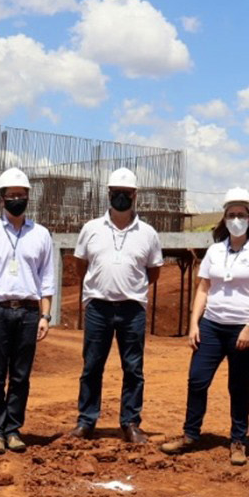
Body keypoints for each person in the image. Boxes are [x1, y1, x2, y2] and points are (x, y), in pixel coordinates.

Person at [160, 188, 249, 465]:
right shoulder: (214, 250)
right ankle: (190, 434)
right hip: (212, 326)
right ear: (223, 220)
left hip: (245, 328)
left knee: (238, 385)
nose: (236, 219)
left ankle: (238, 440)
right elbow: (203, 288)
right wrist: (194, 324)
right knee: (197, 380)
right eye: (231, 215)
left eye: (241, 215)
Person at [68, 168, 165, 443]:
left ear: (135, 196)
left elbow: (153, 271)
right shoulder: (91, 229)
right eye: (116, 193)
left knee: (133, 368)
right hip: (98, 307)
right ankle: (86, 421)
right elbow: (80, 265)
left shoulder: (147, 233)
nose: (121, 197)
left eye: (126, 193)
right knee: (92, 366)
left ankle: (131, 422)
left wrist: (131, 288)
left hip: (132, 309)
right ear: (108, 194)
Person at [0, 168, 56, 455]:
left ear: (28, 197)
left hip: (29, 313)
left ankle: (13, 429)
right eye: (11, 195)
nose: (16, 199)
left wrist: (45, 315)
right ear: (1, 199)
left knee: (20, 375)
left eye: (21, 195)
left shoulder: (41, 234)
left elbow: (47, 279)